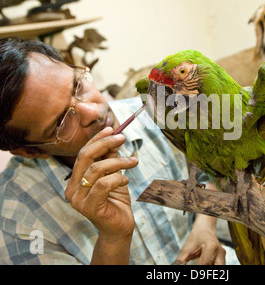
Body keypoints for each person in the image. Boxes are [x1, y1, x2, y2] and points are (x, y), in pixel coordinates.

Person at [0, 37, 238, 265]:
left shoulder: (158, 114)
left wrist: (204, 228)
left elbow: (210, 176)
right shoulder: (15, 217)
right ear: (30, 151)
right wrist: (113, 238)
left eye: (78, 86)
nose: (93, 111)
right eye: (62, 121)